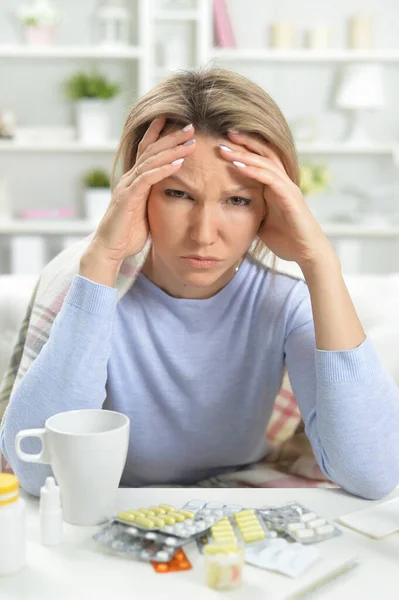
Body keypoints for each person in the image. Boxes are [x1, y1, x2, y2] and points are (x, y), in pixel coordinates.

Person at [1, 67, 399, 499]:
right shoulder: (84, 281)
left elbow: (375, 475)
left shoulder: (286, 298)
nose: (204, 233)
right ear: (137, 190)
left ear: (269, 206)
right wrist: (103, 258)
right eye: (178, 194)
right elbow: (39, 476)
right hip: (108, 501)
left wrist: (320, 262)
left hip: (242, 494)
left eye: (237, 200)